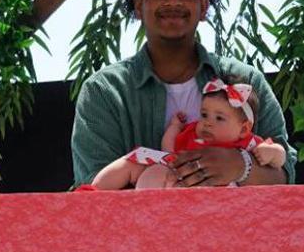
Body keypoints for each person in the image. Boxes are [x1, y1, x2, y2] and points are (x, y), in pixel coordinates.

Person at [71, 0, 297, 188]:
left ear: (203, 7)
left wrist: (238, 167)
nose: (173, 0)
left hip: (236, 228)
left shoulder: (248, 81)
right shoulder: (104, 92)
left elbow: (285, 176)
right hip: (141, 229)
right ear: (137, 6)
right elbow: (91, 192)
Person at [92, 76, 287, 189]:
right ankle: (93, 192)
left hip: (222, 195)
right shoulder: (194, 133)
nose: (208, 123)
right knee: (138, 158)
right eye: (204, 114)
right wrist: (175, 128)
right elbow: (169, 150)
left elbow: (280, 160)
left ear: (244, 128)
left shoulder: (248, 144)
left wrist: (272, 153)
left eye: (219, 118)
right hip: (177, 177)